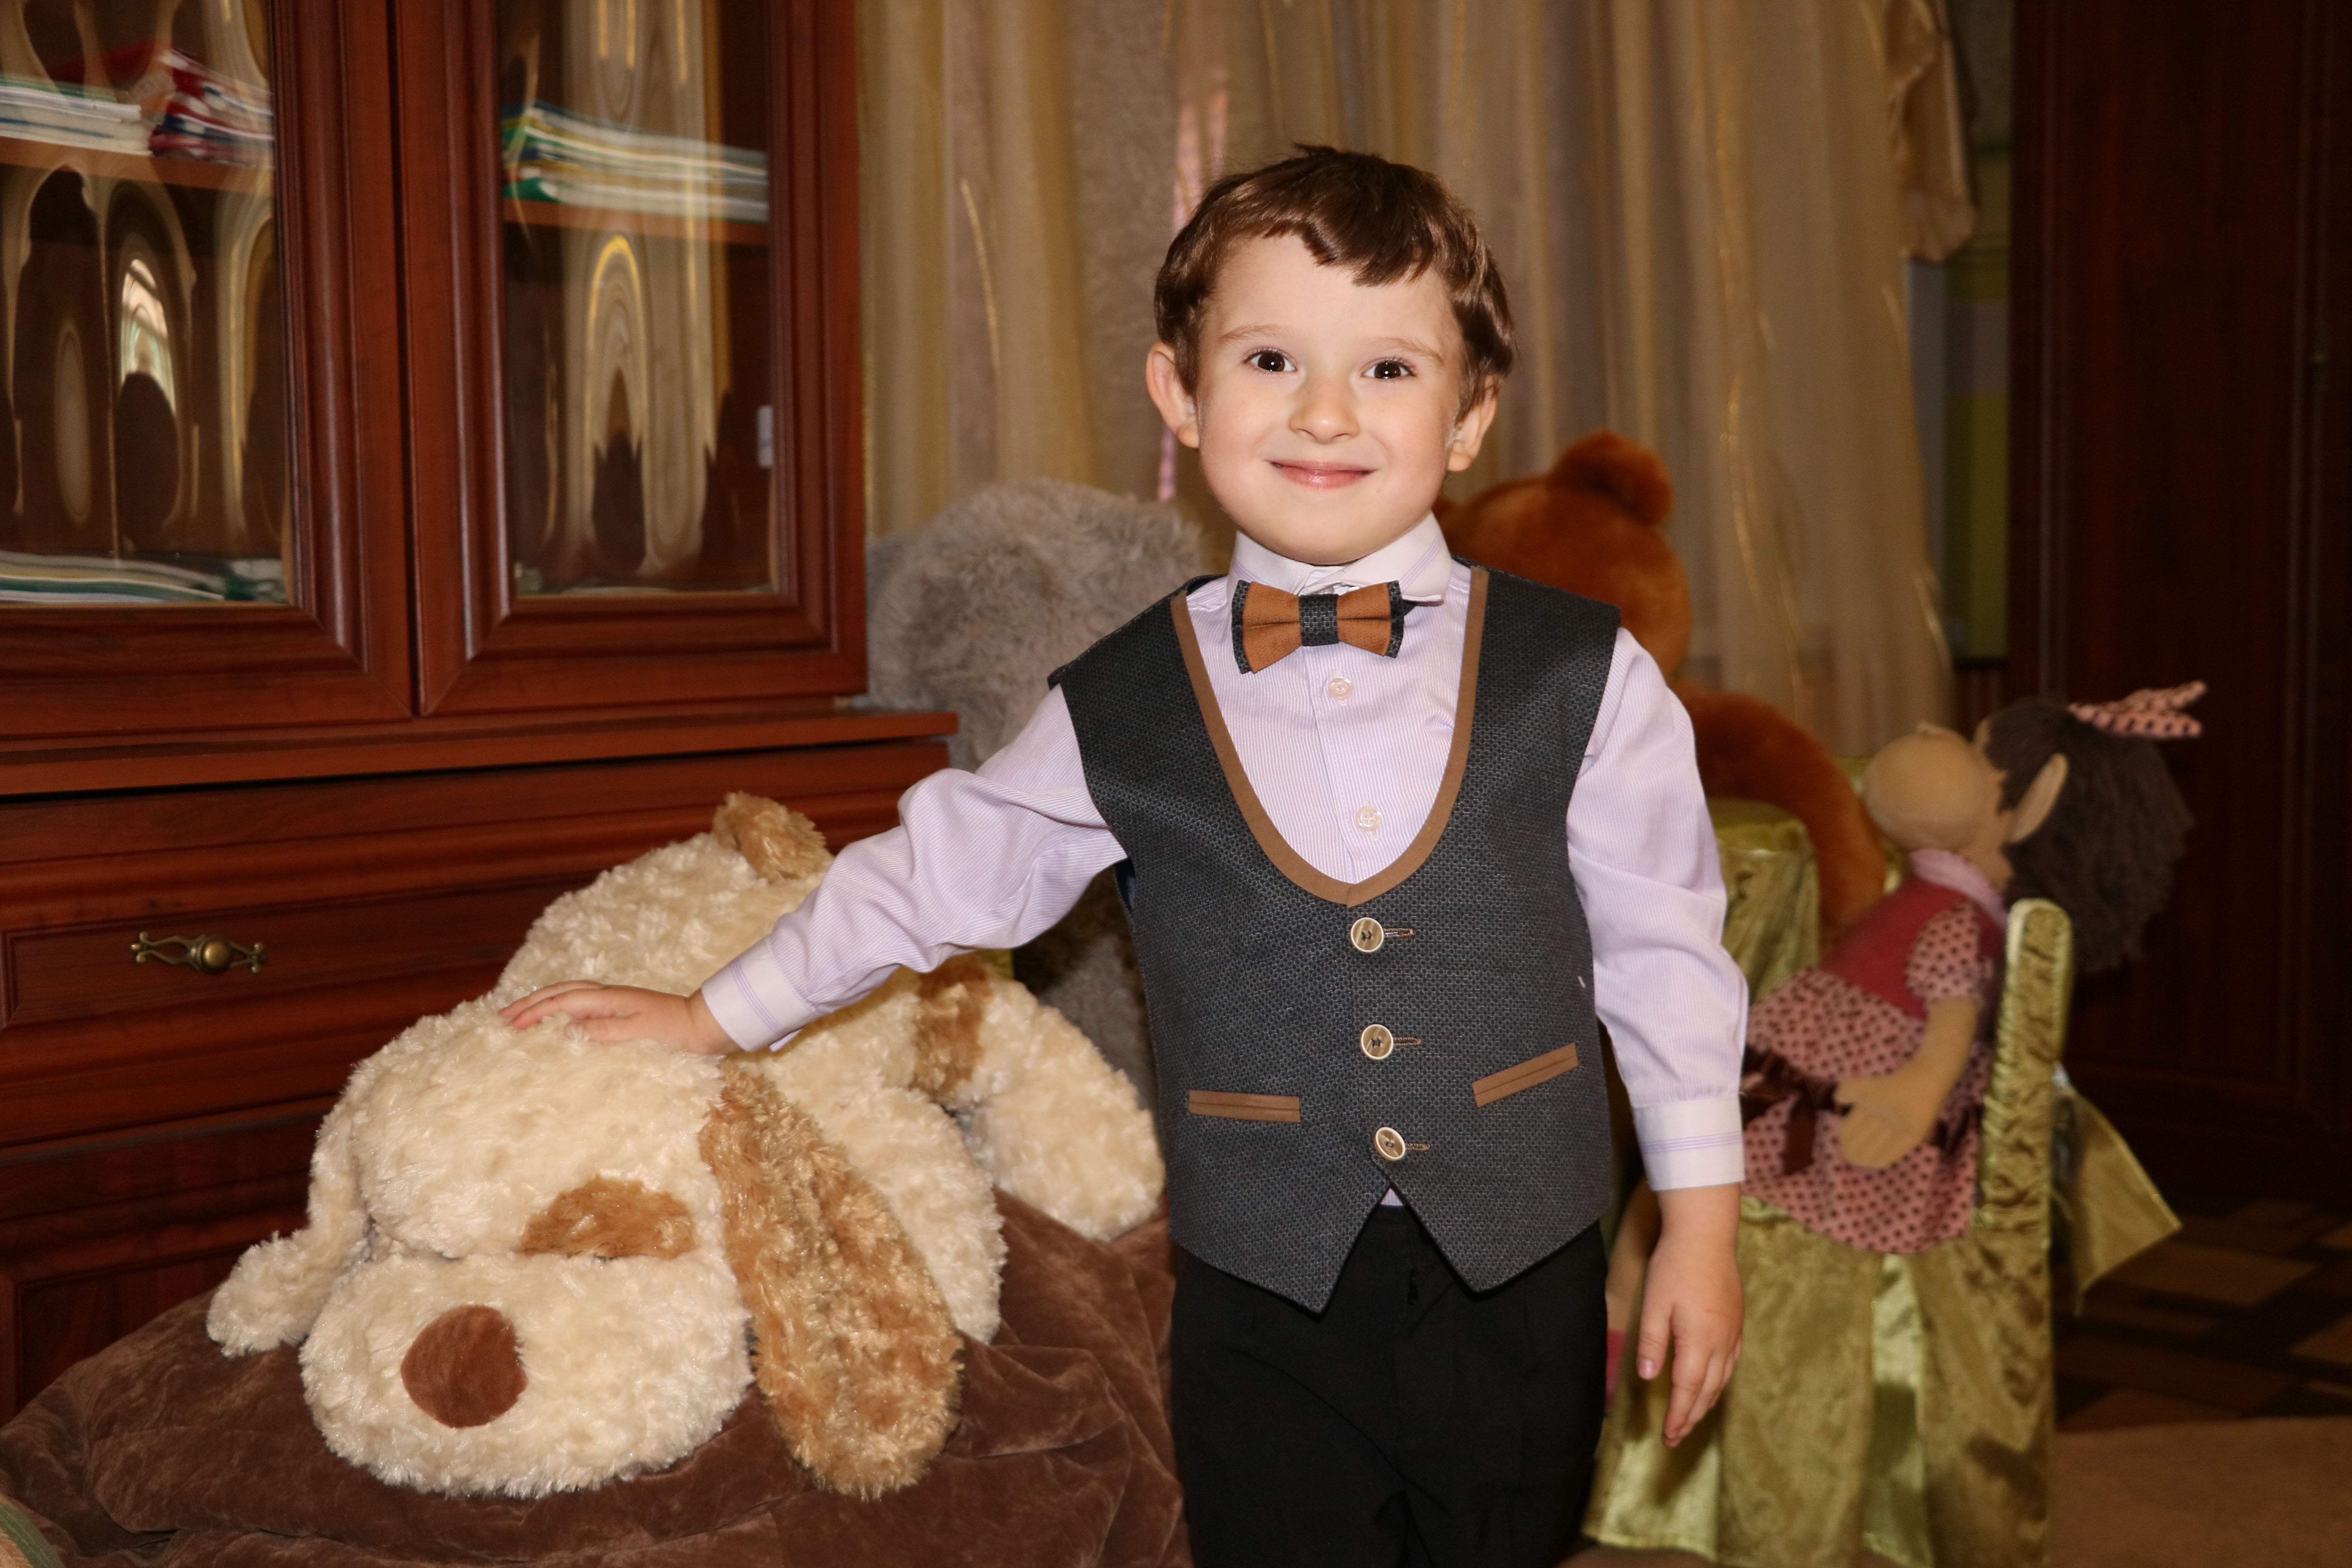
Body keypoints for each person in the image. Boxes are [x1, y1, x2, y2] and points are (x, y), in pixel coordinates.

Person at [506, 146, 1747, 1568]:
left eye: (1389, 370)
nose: (1326, 411)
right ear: (1181, 391)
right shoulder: (1119, 703)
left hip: (1520, 1266)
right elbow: (934, 877)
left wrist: (1701, 1228)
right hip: (1259, 1289)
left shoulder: (1586, 675)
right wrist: (712, 1016)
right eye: (1271, 358)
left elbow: (1667, 957)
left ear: (1471, 416)